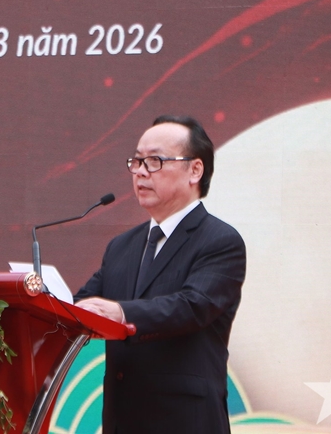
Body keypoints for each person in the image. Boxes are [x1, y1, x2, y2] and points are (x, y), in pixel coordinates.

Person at [75, 115, 246, 434]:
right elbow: (84, 304)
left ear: (195, 170)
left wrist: (121, 313)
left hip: (185, 421)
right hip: (122, 422)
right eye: (137, 161)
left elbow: (192, 307)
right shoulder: (121, 246)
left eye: (154, 161)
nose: (140, 171)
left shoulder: (220, 241)